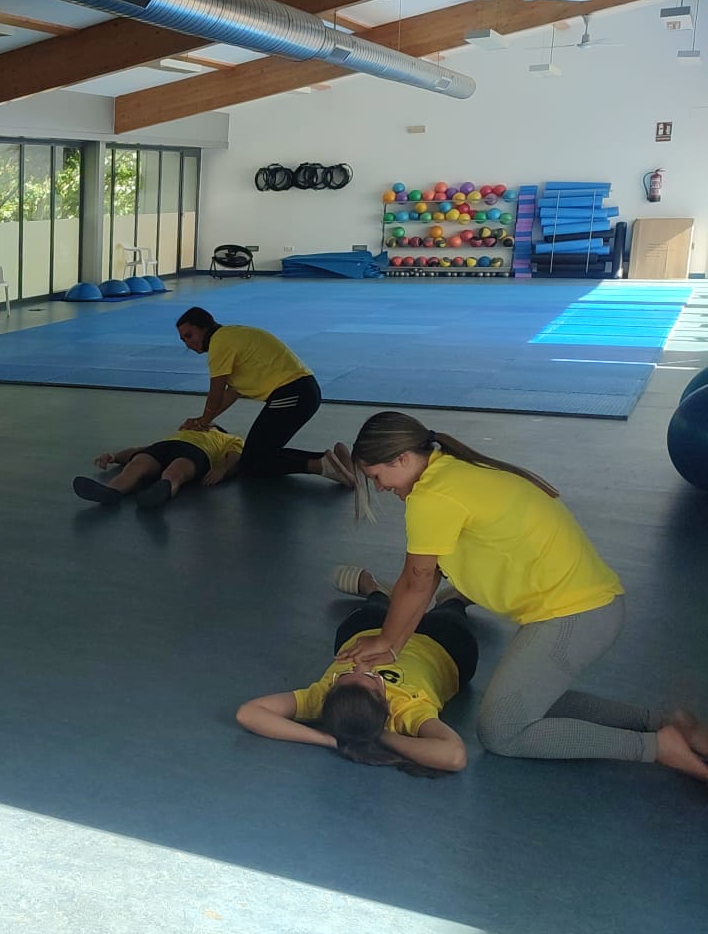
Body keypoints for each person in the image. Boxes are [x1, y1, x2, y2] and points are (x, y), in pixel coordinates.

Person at [343, 410, 708, 783]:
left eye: (376, 477)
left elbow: (416, 580)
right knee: (524, 701)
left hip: (574, 615)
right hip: (587, 606)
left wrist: (388, 640)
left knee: (501, 731)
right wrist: (392, 646)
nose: (381, 488)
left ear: (402, 459)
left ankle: (658, 747)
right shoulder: (452, 471)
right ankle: (667, 723)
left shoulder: (432, 496)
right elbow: (428, 578)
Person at [236, 566, 476, 776]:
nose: (363, 665)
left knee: (376, 610)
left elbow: (248, 713)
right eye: (373, 677)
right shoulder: (407, 710)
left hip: (371, 636)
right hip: (439, 646)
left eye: (346, 673)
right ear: (386, 705)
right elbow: (454, 756)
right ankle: (454, 600)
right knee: (450, 615)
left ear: (332, 688)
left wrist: (333, 738)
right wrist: (375, 736)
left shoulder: (321, 697)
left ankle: (376, 591)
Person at [174, 306, 353, 485]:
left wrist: (203, 422)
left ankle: (321, 466)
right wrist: (203, 420)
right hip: (303, 391)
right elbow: (232, 392)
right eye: (183, 340)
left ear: (204, 327)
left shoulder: (219, 344)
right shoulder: (230, 335)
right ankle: (334, 460)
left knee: (253, 464)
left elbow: (215, 393)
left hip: (292, 394)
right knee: (257, 455)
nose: (188, 344)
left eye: (189, 335)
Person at [74, 424, 244, 510]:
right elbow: (140, 449)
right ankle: (111, 492)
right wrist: (114, 457)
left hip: (198, 452)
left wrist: (222, 469)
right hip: (165, 445)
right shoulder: (183, 431)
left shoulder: (226, 437)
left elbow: (235, 455)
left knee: (176, 471)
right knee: (137, 464)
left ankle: (161, 491)